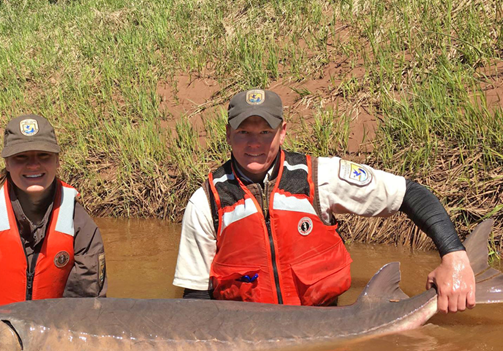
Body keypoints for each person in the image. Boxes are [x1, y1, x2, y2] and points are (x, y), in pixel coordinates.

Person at [173, 89, 475, 313]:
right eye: (243, 132)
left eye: (265, 131)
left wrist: (455, 259)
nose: (254, 143)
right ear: (228, 134)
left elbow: (409, 193)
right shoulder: (205, 202)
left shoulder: (320, 177)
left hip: (326, 326)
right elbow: (195, 300)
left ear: (282, 133)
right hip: (248, 335)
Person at [0, 114, 107, 328]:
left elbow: (86, 307)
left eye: (43, 155)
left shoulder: (80, 225)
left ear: (58, 160)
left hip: (50, 338)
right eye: (21, 157)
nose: (33, 165)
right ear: (7, 162)